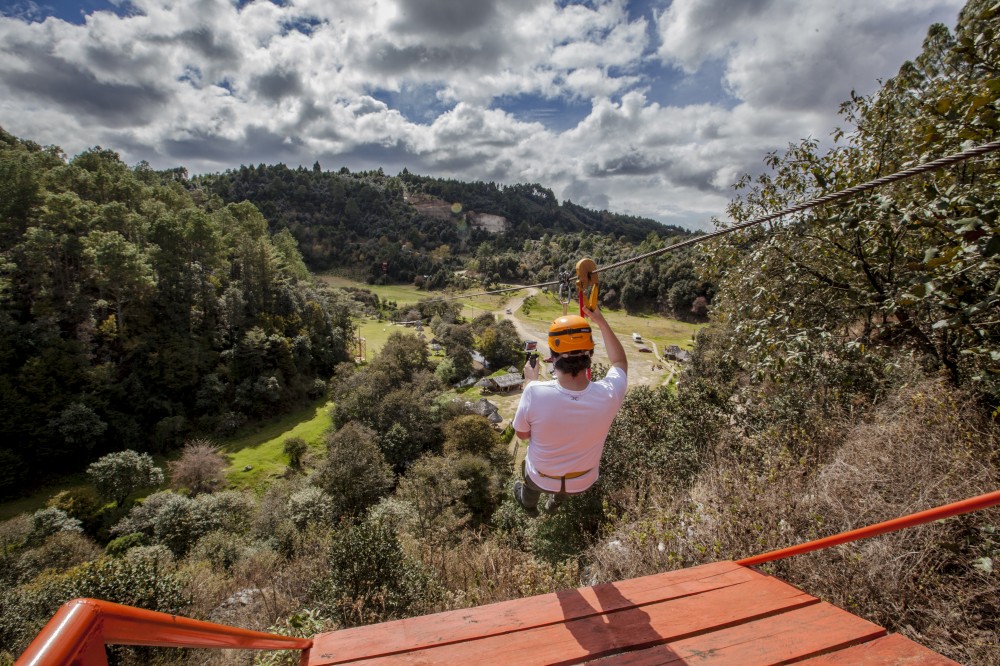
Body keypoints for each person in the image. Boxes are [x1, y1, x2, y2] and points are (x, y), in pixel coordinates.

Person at [512, 305, 628, 517]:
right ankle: (552, 506)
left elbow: (522, 435)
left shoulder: (534, 392)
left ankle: (529, 507)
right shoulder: (609, 394)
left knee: (529, 483)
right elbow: (619, 362)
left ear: (553, 356)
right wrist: (601, 321)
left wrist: (530, 381)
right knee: (565, 483)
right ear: (590, 354)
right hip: (582, 480)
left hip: (541, 477)